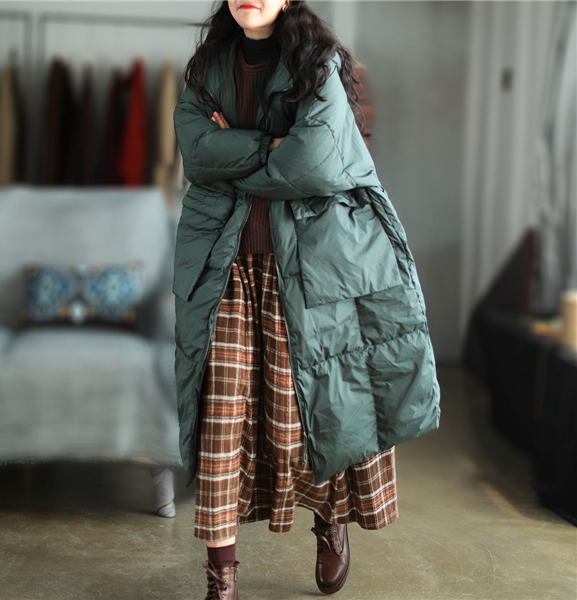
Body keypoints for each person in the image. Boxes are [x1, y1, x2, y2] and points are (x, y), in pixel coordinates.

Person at [172, 1, 441, 598]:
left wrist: (235, 149)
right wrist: (273, 146)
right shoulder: (207, 67)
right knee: (222, 415)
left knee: (314, 405)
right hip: (224, 264)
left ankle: (330, 521)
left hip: (310, 266)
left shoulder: (317, 64)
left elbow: (314, 161)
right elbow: (196, 151)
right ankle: (221, 575)